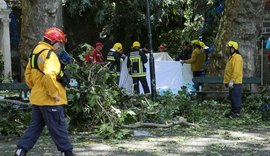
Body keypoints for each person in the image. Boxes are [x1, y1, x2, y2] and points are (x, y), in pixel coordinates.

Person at [14, 27, 73, 156]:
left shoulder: (35, 52)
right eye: (59, 43)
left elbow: (28, 73)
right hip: (50, 100)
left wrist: (35, 87)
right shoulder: (50, 55)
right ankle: (67, 152)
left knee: (35, 127)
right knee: (58, 128)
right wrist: (54, 94)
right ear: (53, 42)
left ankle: (21, 151)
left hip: (37, 98)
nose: (59, 46)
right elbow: (49, 74)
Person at [224, 41, 243, 118]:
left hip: (235, 82)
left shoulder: (237, 57)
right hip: (231, 82)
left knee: (235, 97)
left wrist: (232, 80)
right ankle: (233, 111)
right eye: (229, 48)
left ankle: (237, 112)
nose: (229, 50)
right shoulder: (232, 57)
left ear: (234, 49)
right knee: (232, 97)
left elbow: (236, 70)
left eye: (230, 48)